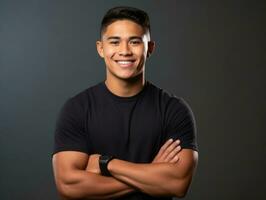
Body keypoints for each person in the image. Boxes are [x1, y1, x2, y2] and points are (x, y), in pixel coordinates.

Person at [52, 6, 198, 200]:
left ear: (150, 48)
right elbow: (68, 186)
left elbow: (178, 184)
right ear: (101, 49)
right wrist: (152, 174)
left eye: (135, 42)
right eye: (114, 42)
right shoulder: (77, 109)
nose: (124, 51)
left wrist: (107, 163)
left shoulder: (174, 110)